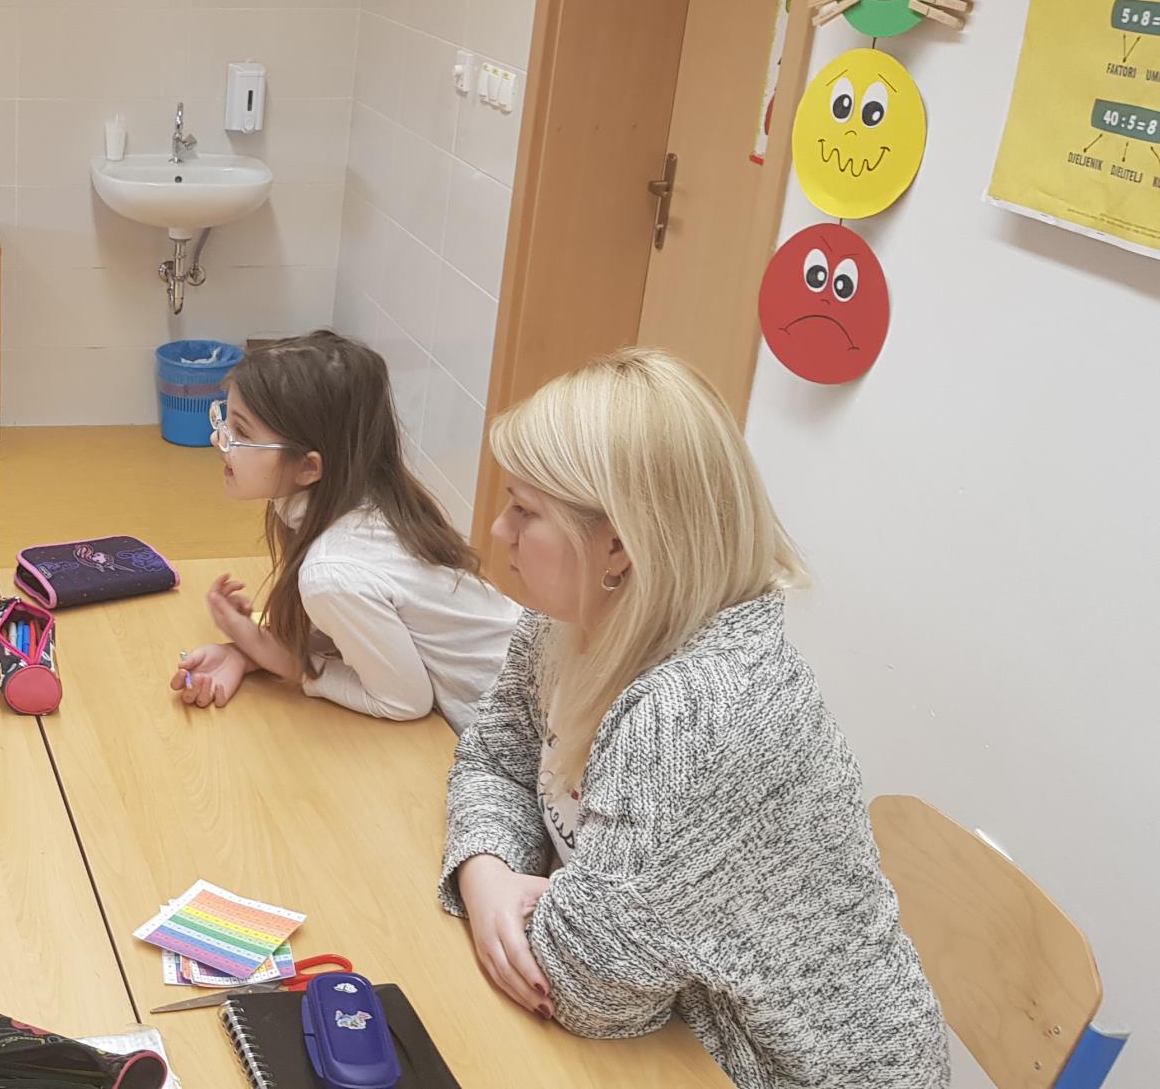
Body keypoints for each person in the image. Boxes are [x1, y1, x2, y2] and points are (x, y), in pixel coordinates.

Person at [440, 350, 947, 1087]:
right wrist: (488, 873)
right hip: (675, 1035)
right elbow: (493, 760)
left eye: (525, 510)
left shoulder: (697, 714)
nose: (496, 528)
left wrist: (550, 916)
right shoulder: (569, 622)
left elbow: (580, 986)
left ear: (618, 545)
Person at [172, 332, 519, 728]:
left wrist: (278, 659)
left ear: (309, 467)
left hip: (523, 721)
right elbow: (358, 632)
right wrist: (251, 651)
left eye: (242, 432)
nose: (217, 438)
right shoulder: (363, 500)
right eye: (224, 419)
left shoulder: (332, 570)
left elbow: (403, 701)